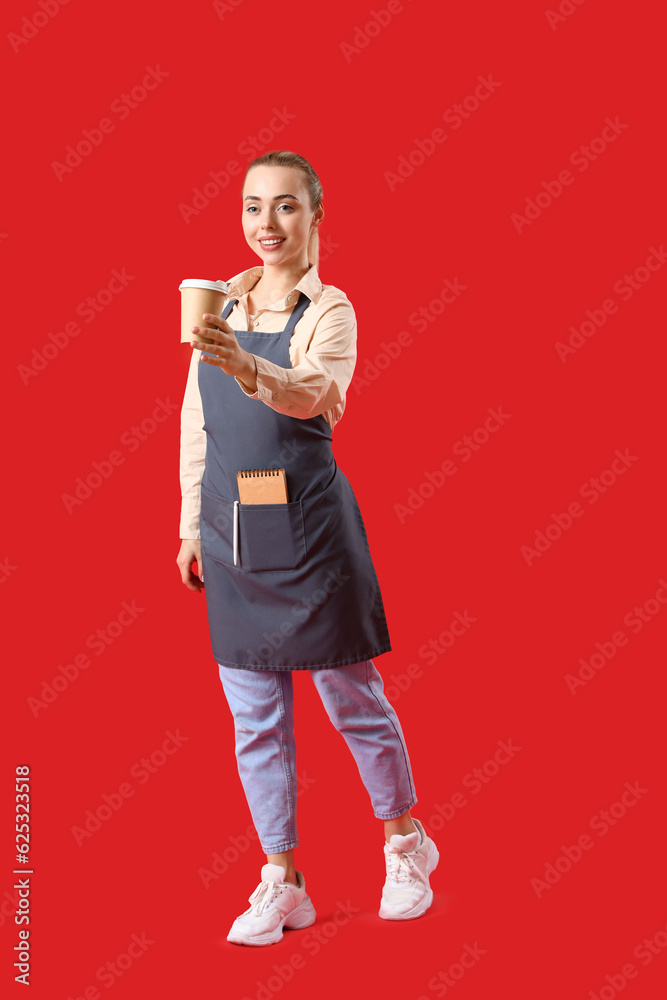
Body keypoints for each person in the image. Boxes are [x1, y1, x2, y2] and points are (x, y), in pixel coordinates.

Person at [176, 150, 439, 947]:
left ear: (316, 217)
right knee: (254, 717)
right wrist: (189, 522)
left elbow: (316, 394)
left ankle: (405, 846)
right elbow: (197, 425)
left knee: (350, 697)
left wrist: (243, 361)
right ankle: (281, 880)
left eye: (286, 207)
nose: (267, 224)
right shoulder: (213, 305)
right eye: (253, 207)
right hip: (232, 532)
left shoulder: (332, 311)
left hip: (311, 533)